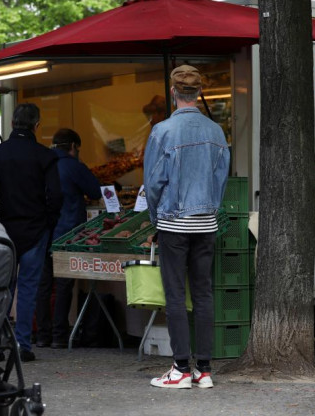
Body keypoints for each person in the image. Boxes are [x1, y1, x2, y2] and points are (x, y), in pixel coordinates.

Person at [144, 65, 230, 389]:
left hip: (173, 221)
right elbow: (221, 179)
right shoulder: (217, 132)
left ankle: (180, 368)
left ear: (172, 92)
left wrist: (155, 219)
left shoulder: (162, 131)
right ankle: (204, 370)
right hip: (206, 222)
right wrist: (211, 208)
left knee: (176, 295)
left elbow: (153, 183)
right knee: (204, 293)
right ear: (200, 93)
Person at [0, 103, 63, 361]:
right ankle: (22, 345)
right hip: (35, 231)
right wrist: (48, 222)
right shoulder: (45, 156)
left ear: (13, 124)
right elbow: (56, 196)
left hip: (2, 231)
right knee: (28, 289)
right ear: (37, 125)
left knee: (2, 288)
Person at [44, 128, 101, 349]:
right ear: (73, 147)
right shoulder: (73, 166)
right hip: (67, 233)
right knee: (64, 285)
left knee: (44, 285)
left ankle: (42, 335)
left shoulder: (43, 164)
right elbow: (95, 191)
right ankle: (59, 335)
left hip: (44, 233)